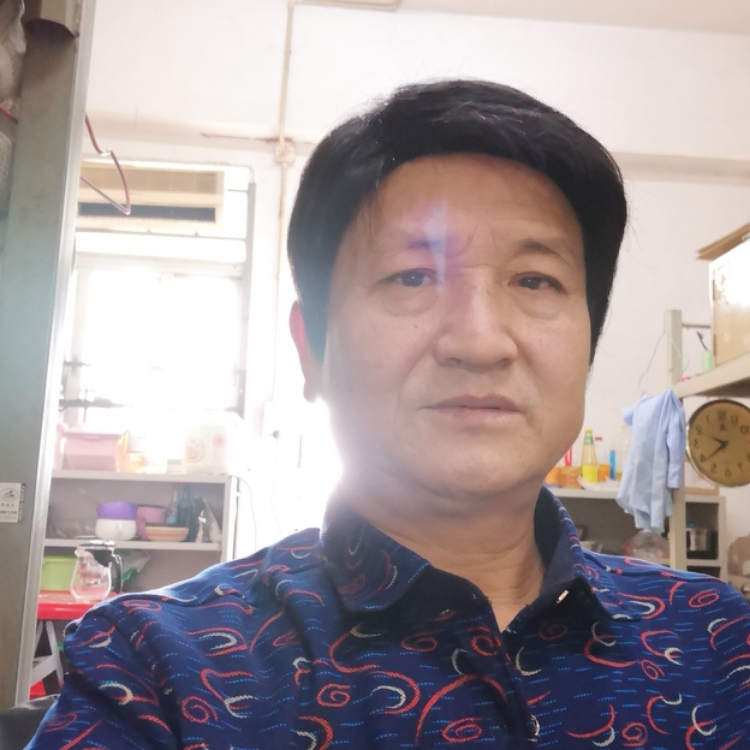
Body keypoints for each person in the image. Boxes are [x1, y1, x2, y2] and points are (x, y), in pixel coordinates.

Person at [28, 80, 750, 749]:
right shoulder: (156, 671)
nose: (480, 341)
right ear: (312, 349)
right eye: (411, 276)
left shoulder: (719, 642)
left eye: (535, 279)